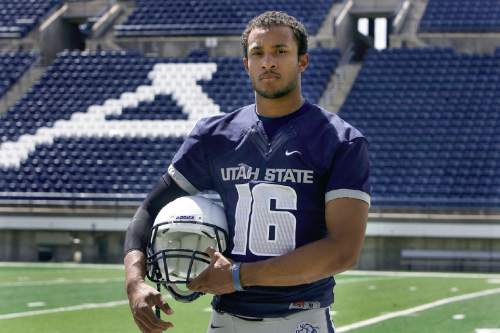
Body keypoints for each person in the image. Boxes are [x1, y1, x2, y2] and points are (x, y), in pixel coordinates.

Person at [124, 10, 370, 333]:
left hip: (301, 319)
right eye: (258, 53)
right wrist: (134, 282)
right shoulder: (214, 136)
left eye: (280, 51)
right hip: (226, 321)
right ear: (246, 65)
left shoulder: (341, 140)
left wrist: (239, 276)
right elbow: (148, 210)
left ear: (303, 62)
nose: (268, 61)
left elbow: (343, 251)